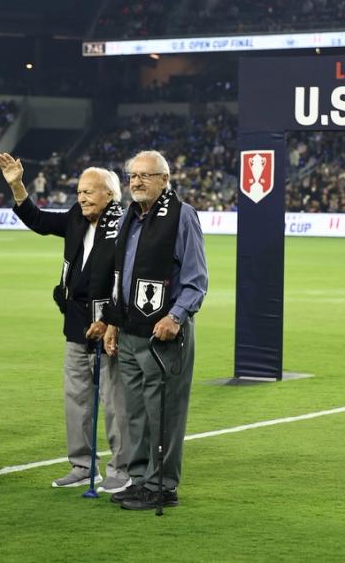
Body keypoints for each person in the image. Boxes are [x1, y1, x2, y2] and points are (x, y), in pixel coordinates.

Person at [0, 152, 132, 493]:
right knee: (77, 398)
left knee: (115, 401)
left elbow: (126, 279)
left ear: (110, 195)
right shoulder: (76, 218)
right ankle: (82, 465)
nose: (82, 197)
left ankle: (122, 468)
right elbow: (39, 221)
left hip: (109, 325)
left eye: (89, 191)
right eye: (80, 191)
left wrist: (110, 320)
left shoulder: (125, 224)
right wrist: (17, 187)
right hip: (75, 323)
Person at [101, 150, 208, 511]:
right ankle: (141, 480)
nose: (137, 182)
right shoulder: (129, 218)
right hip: (129, 331)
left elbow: (196, 280)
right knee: (134, 413)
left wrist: (175, 317)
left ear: (165, 179)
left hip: (163, 334)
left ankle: (162, 487)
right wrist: (113, 321)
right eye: (133, 176)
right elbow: (121, 277)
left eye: (146, 175)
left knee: (163, 413)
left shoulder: (182, 216)